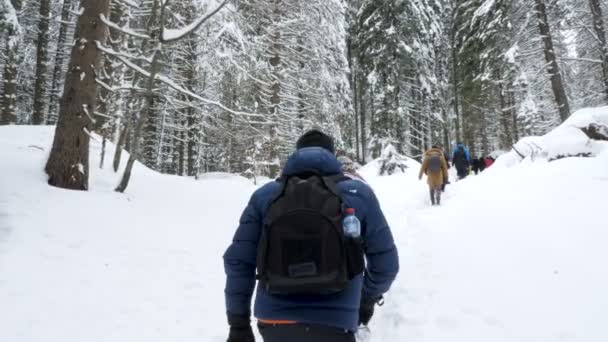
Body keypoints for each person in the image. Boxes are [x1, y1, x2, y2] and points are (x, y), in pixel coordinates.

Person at [224, 130, 400, 342]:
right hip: (336, 324)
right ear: (332, 156)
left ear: (296, 155)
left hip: (275, 323)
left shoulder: (265, 196)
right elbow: (386, 264)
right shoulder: (358, 194)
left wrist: (238, 323)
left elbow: (239, 262)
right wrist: (367, 298)